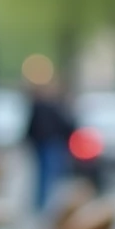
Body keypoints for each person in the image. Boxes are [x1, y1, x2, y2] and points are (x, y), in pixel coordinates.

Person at [25, 81, 74, 212]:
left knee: (44, 175)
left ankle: (42, 203)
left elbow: (30, 127)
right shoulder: (52, 106)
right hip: (51, 144)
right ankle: (45, 204)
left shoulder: (37, 106)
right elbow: (65, 124)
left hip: (43, 144)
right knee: (50, 175)